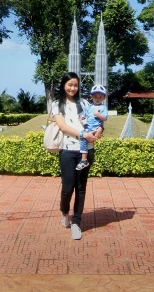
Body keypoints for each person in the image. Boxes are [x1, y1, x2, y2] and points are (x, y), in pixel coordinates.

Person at [52, 72, 102, 240]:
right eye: (70, 85)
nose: (73, 88)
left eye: (75, 85)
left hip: (86, 151)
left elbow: (98, 122)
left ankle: (76, 223)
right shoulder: (57, 105)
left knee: (80, 188)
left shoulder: (84, 103)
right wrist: (83, 134)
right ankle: (65, 212)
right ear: (64, 86)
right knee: (67, 188)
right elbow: (63, 126)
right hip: (67, 151)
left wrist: (98, 132)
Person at [76, 84, 108, 171]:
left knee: (84, 139)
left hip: (95, 128)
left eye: (100, 97)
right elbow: (85, 115)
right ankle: (90, 159)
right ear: (91, 96)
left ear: (104, 98)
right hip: (88, 127)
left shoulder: (103, 108)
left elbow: (105, 118)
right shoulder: (89, 106)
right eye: (95, 97)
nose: (97, 99)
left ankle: (84, 160)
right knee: (88, 143)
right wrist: (82, 119)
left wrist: (98, 114)